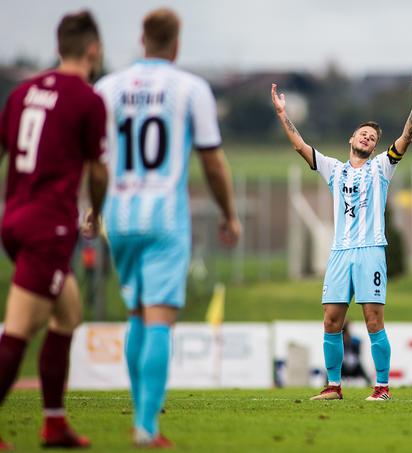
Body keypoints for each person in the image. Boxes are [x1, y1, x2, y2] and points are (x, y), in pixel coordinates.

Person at [93, 8, 240, 448]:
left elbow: (97, 163)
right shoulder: (191, 89)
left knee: (136, 313)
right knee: (158, 319)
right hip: (164, 216)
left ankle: (142, 420)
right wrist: (228, 213)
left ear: (142, 39)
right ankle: (146, 427)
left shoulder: (107, 89)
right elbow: (212, 160)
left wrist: (92, 209)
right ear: (176, 43)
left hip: (118, 216)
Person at [271, 77, 412, 401]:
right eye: (364, 134)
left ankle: (382, 388)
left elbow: (406, 138)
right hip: (340, 252)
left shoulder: (382, 167)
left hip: (370, 250)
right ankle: (334, 386)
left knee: (372, 319)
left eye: (373, 137)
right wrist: (283, 113)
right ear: (351, 139)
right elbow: (299, 145)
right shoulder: (333, 169)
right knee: (332, 320)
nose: (368, 138)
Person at [0, 10, 108, 449]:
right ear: (93, 49)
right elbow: (98, 172)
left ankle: (54, 422)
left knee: (69, 313)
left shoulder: (24, 92)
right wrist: (96, 213)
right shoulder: (86, 99)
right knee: (19, 330)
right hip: (48, 228)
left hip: (14, 219)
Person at [341, 320, 372, 387]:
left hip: (355, 364)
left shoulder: (354, 340)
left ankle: (370, 387)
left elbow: (358, 352)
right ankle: (329, 386)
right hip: (342, 364)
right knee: (331, 372)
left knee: (367, 377)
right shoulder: (339, 340)